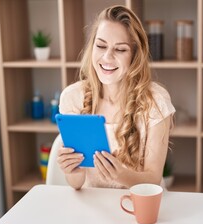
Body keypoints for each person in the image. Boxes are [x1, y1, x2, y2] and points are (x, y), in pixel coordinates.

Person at [57, 5, 175, 190]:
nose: (107, 57)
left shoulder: (155, 101)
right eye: (101, 45)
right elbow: (77, 184)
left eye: (120, 50)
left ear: (135, 56)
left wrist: (121, 175)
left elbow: (153, 179)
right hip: (95, 208)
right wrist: (73, 171)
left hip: (141, 204)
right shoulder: (73, 97)